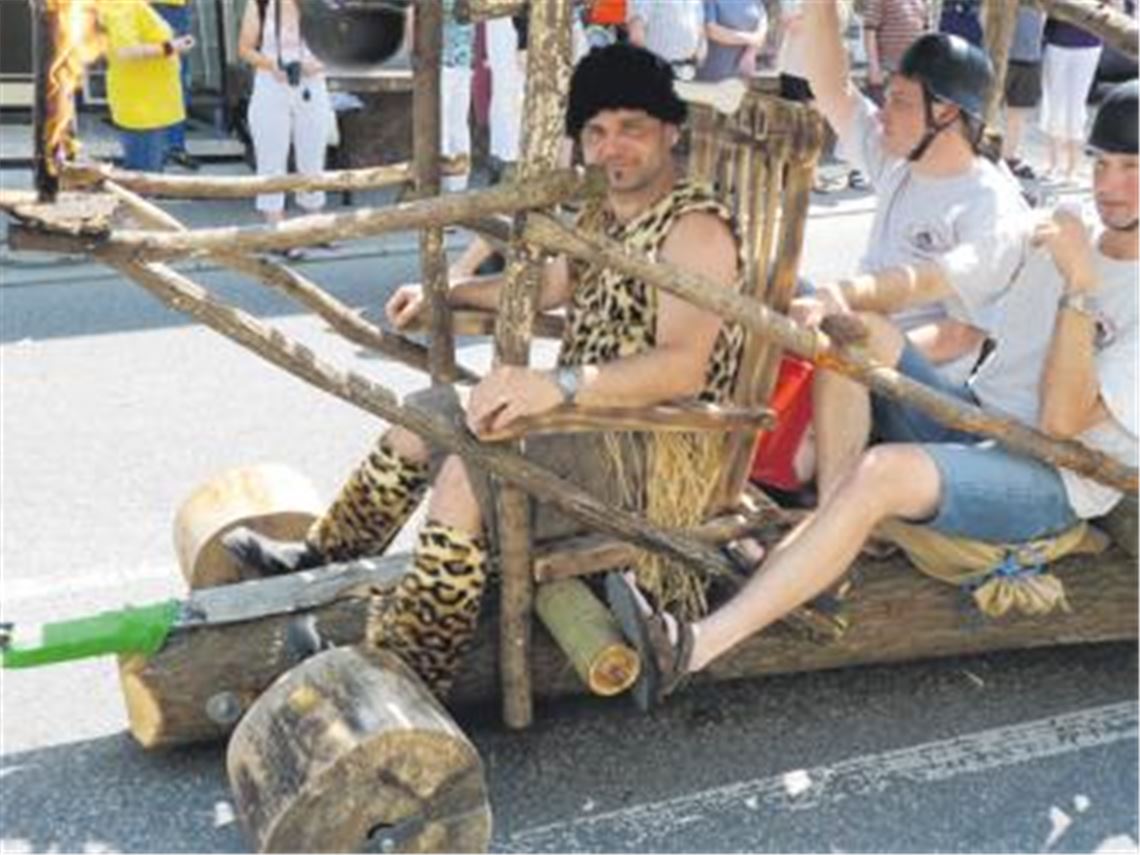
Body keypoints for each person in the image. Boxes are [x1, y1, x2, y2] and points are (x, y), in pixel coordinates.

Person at [224, 44, 746, 697]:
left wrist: (555, 387)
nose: (611, 147)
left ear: (670, 129)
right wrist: (446, 293)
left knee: (471, 470)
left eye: (630, 128)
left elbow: (682, 370)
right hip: (586, 424)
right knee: (430, 412)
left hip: (651, 450)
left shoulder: (695, 229)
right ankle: (323, 559)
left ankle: (413, 668)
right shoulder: (608, 213)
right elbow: (548, 286)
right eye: (596, 132)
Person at [607, 79, 1139, 710]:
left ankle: (692, 647)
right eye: (1102, 164)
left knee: (883, 472)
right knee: (855, 334)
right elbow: (935, 278)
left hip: (1055, 477)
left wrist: (1080, 286)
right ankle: (831, 541)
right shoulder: (1063, 231)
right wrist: (846, 296)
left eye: (1131, 168)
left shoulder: (1091, 269)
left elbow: (1061, 422)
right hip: (979, 420)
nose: (1110, 185)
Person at [237, 0, 332, 240]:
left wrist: (317, 64)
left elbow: (338, 47)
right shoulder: (260, 4)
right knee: (271, 160)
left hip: (311, 85)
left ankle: (314, 226)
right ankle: (277, 231)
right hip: (270, 85)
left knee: (313, 156)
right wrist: (271, 64)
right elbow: (245, 49)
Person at [98, 0, 193, 173]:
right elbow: (126, 51)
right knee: (145, 176)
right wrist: (170, 47)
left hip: (149, 108)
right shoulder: (123, 6)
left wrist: (173, 47)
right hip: (143, 109)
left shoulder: (132, 5)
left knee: (148, 174)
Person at [1039, 17, 1103, 182]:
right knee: (1053, 103)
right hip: (1056, 40)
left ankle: (1073, 167)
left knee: (1076, 105)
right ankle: (1053, 164)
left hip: (1089, 42)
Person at [149, 0, 200, 170]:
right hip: (155, 8)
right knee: (160, 80)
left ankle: (173, 147)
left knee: (175, 81)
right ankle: (164, 148)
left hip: (173, 8)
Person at [1001, 6, 1047, 180]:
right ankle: (982, 153)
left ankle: (1008, 157)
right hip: (1000, 52)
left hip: (1030, 54)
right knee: (987, 109)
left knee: (1017, 112)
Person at [862, 0, 928, 104]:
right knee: (885, 107)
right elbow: (870, 32)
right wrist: (874, 67)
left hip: (913, 70)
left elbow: (924, 33)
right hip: (887, 70)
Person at [627, 0, 705, 80]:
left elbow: (699, 27)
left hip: (686, 71)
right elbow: (636, 30)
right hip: (657, 71)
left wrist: (699, 52)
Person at [696, 0, 767, 82]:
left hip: (743, 74)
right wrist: (750, 39)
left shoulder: (756, 2)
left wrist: (751, 51)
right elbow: (711, 31)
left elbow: (762, 30)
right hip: (713, 73)